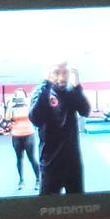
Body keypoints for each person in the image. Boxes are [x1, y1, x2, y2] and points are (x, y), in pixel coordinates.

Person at [28, 62, 89, 195]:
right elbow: (35, 119)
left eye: (65, 73)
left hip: (73, 163)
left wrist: (77, 86)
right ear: (49, 73)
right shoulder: (41, 91)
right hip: (51, 163)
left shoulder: (71, 92)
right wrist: (46, 84)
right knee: (48, 209)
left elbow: (85, 110)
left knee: (78, 206)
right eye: (56, 72)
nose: (62, 77)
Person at [4, 88, 39, 190]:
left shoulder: (29, 104)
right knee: (19, 158)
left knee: (32, 158)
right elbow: (7, 118)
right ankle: (21, 181)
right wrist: (9, 107)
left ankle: (38, 180)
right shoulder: (12, 106)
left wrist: (28, 104)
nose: (19, 98)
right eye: (17, 96)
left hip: (28, 133)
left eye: (21, 96)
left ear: (24, 96)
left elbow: (34, 116)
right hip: (16, 135)